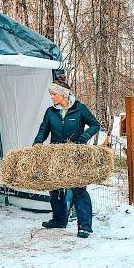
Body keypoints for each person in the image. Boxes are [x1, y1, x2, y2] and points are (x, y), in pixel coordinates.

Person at [33, 75, 101, 238]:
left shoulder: (79, 109)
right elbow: (44, 129)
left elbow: (95, 125)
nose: (51, 97)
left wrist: (83, 138)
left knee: (79, 189)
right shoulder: (50, 112)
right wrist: (38, 142)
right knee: (55, 188)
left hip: (75, 155)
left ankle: (85, 226)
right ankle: (59, 220)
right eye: (50, 94)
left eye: (53, 94)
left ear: (63, 94)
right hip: (56, 155)